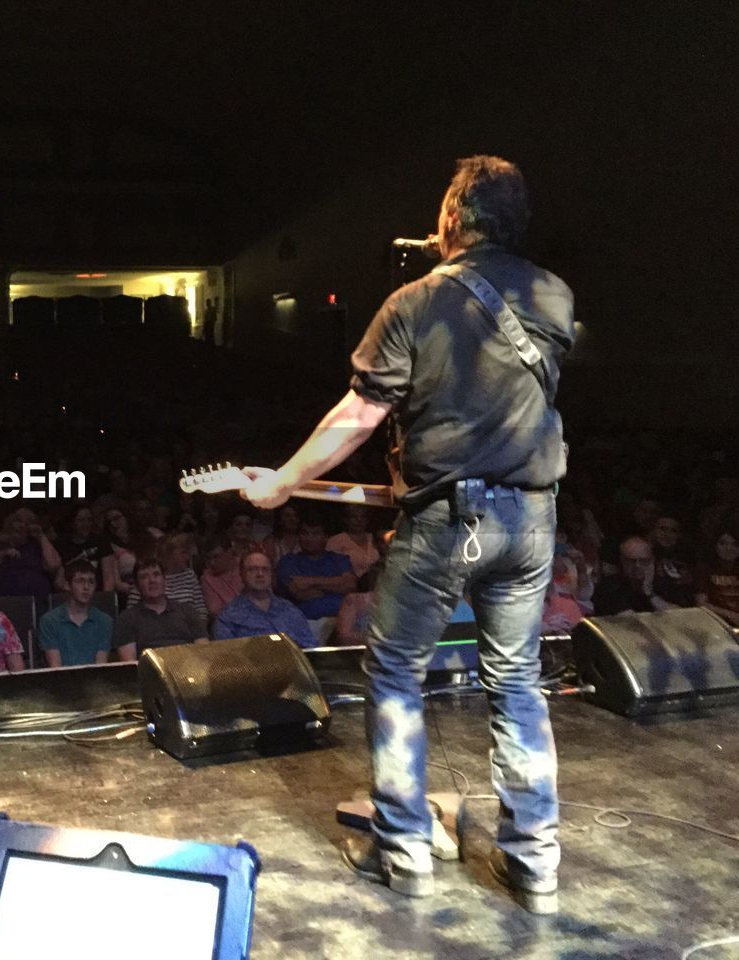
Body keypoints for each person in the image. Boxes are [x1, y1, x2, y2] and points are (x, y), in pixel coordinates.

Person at [244, 157, 573, 912]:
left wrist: (286, 479)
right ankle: (534, 862)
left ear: (453, 216)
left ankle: (402, 850)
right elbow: (498, 353)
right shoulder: (554, 293)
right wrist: (455, 267)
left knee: (396, 671)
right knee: (516, 678)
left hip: (454, 518)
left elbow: (359, 416)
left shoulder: (413, 302)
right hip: (533, 519)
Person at [276, 516, 357, 644]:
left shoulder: (339, 559)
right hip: (306, 623)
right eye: (304, 533)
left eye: (315, 533)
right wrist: (336, 585)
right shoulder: (289, 561)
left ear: (325, 537)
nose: (309, 538)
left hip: (343, 620)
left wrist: (310, 581)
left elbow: (350, 585)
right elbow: (301, 593)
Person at [213, 550, 316, 648]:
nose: (260, 574)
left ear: (272, 574)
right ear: (242, 575)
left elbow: (310, 647)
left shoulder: (290, 610)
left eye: (265, 569)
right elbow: (226, 658)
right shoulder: (228, 616)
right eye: (252, 570)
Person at [112, 558, 208, 659]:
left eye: (156, 574)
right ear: (137, 585)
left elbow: (203, 653)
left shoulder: (187, 611)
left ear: (164, 579)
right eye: (144, 577)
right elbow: (130, 664)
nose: (152, 580)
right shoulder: (127, 618)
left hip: (187, 670)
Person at [0, 508, 61, 603]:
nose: (22, 526)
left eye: (29, 523)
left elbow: (54, 565)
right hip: (3, 603)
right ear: (9, 523)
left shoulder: (38, 545)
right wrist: (2, 555)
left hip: (37, 603)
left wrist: (41, 535)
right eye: (18, 521)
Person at [37, 561, 115, 667]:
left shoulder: (105, 621)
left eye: (91, 582)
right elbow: (55, 667)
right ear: (67, 585)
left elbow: (100, 665)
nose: (86, 587)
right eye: (80, 581)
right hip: (62, 681)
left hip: (95, 681)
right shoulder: (50, 621)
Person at [590, 535, 678, 615]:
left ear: (652, 561)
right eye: (631, 561)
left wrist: (650, 594)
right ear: (622, 561)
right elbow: (631, 621)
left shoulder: (663, 583)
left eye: (643, 561)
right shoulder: (609, 587)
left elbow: (679, 616)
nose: (637, 566)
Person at [128, 533, 207, 620]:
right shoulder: (147, 578)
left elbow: (201, 611)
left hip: (189, 628)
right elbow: (131, 617)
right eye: (183, 552)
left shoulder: (190, 575)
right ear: (168, 554)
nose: (188, 557)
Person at [694, 524, 739, 626]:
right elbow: (701, 604)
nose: (729, 548)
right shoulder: (705, 569)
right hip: (716, 624)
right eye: (723, 543)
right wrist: (730, 615)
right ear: (715, 545)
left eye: (735, 544)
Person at [327, 505, 381, 578]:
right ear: (346, 520)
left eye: (363, 517)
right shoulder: (336, 541)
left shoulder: (375, 538)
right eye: (354, 517)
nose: (359, 520)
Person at [199, 534, 243, 617]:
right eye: (209, 558)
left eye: (216, 557)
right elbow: (214, 610)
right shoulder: (207, 579)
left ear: (229, 553)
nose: (212, 563)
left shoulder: (246, 568)